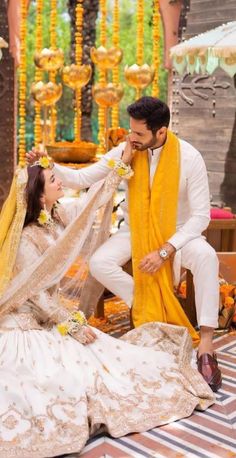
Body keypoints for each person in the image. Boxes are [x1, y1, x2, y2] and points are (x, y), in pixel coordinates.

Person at [0, 157, 215, 457]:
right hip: (27, 322)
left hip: (50, 316)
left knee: (109, 359)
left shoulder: (58, 216)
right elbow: (37, 296)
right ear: (38, 196)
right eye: (52, 180)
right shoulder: (27, 238)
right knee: (64, 375)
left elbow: (92, 205)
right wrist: (72, 325)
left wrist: (119, 169)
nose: (59, 180)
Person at [27, 96, 222, 393]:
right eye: (131, 131)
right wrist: (47, 164)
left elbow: (200, 217)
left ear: (161, 131)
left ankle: (206, 345)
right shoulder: (127, 150)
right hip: (135, 231)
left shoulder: (190, 158)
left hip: (178, 234)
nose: (132, 138)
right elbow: (82, 178)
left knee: (207, 256)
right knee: (99, 262)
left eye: (139, 133)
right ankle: (141, 302)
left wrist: (166, 249)